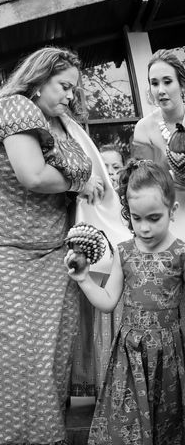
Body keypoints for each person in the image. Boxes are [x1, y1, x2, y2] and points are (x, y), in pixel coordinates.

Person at [0, 46, 105, 443]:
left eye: (75, 90)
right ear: (38, 78)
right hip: (2, 245)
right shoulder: (13, 108)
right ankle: (4, 437)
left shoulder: (60, 122)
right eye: (63, 86)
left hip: (51, 249)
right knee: (13, 347)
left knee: (49, 352)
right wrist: (81, 182)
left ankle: (45, 435)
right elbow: (33, 175)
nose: (70, 96)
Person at [66, 159, 185, 444]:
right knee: (126, 423)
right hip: (130, 355)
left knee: (167, 422)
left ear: (173, 211)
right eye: (136, 218)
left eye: (154, 218)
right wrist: (84, 279)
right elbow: (107, 301)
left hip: (170, 353)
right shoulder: (123, 252)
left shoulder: (181, 254)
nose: (144, 228)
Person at [132, 49, 185, 237]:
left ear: (182, 85)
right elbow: (142, 180)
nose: (160, 90)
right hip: (166, 214)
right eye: (154, 83)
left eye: (167, 82)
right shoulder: (143, 128)